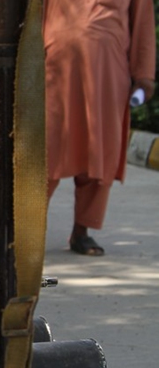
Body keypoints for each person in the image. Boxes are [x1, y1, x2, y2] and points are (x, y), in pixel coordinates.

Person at [44, 0, 156, 256]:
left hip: (108, 67)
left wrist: (144, 75)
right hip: (56, 65)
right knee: (48, 148)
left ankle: (82, 230)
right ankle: (29, 228)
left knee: (100, 148)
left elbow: (143, 21)